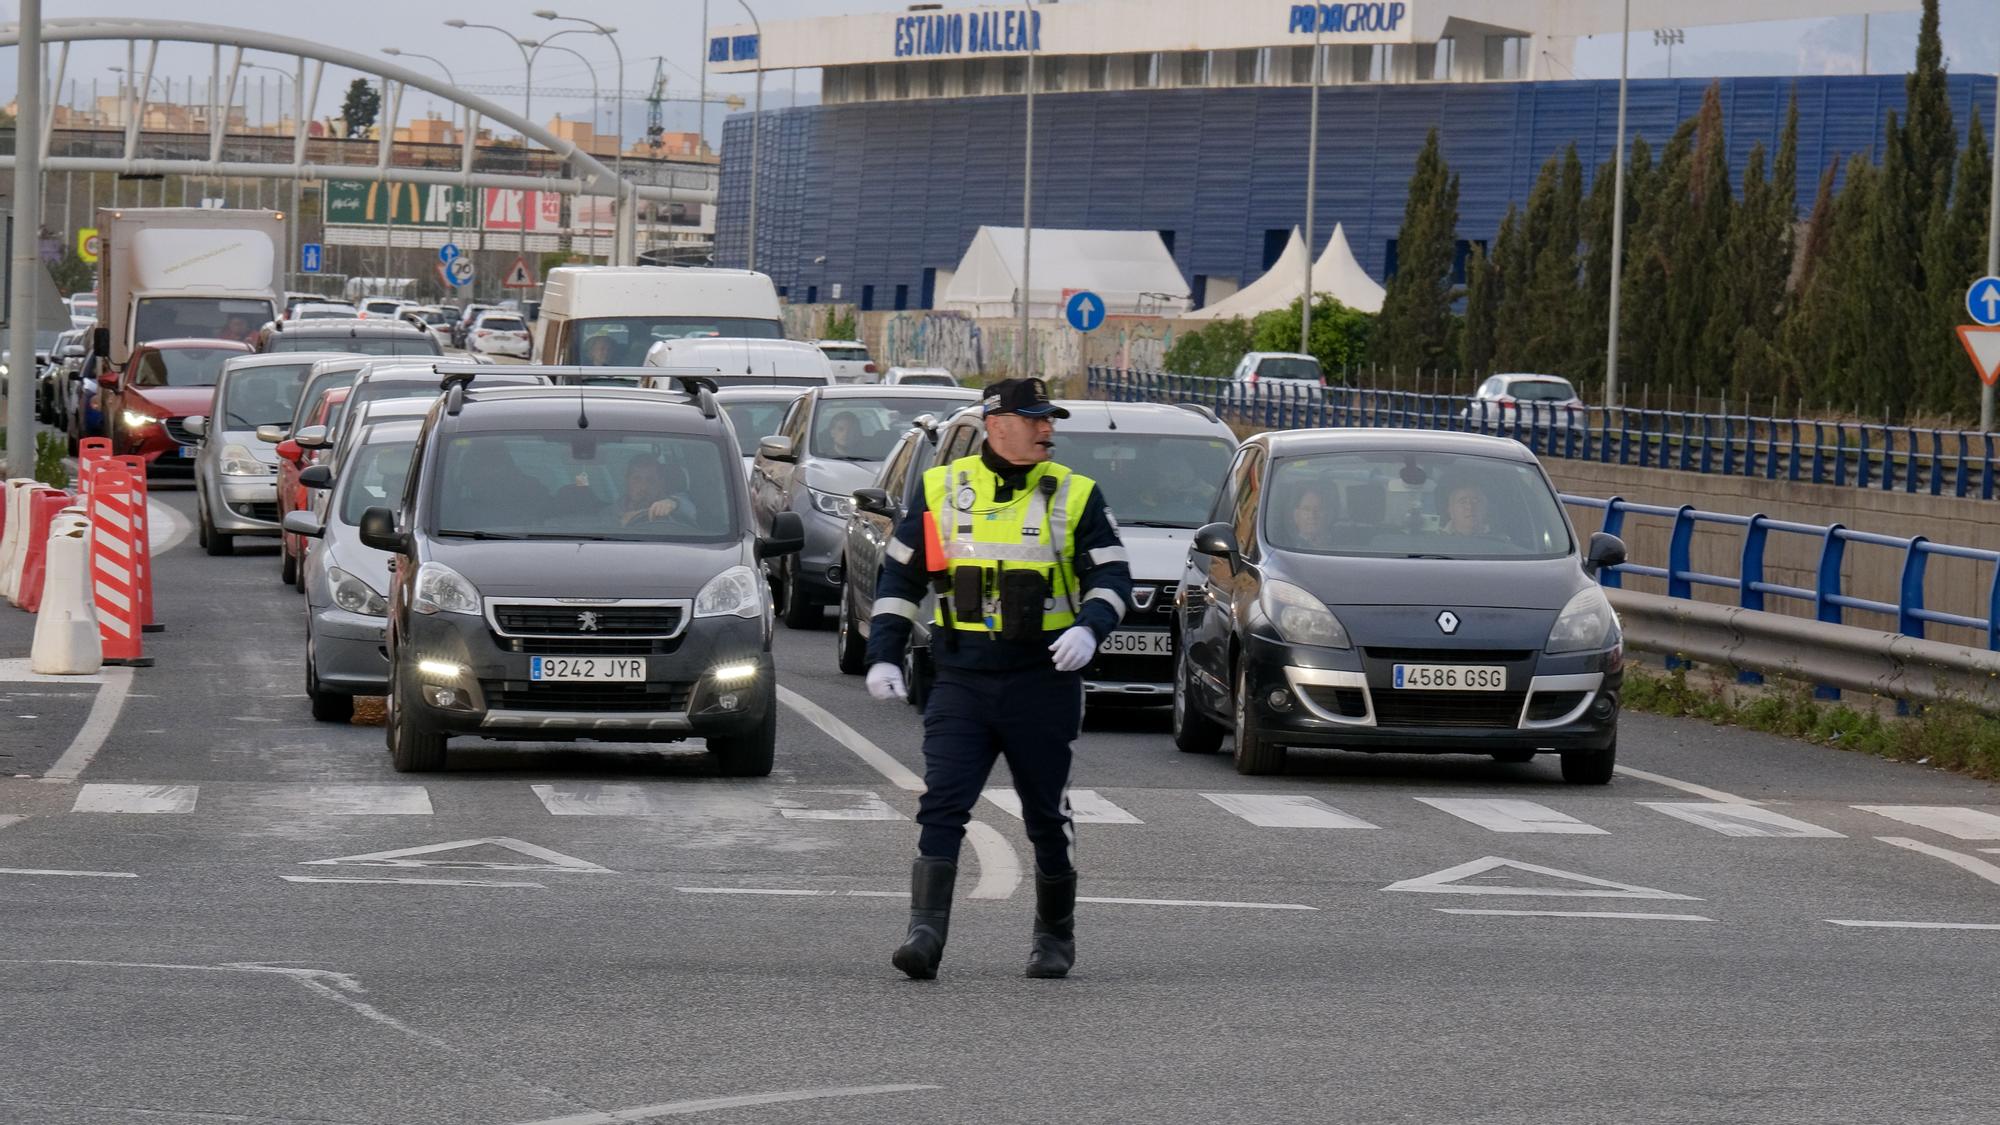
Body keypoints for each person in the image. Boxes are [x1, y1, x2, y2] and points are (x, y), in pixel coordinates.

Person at [864, 377, 1133, 982]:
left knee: (1045, 814)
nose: (1048, 429)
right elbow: (901, 580)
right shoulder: (943, 490)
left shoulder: (1076, 494)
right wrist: (883, 652)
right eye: (1035, 419)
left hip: (1042, 680)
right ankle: (925, 934)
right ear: (997, 424)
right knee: (942, 803)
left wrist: (1090, 628)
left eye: (1050, 419)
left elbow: (1115, 580)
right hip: (961, 677)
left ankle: (1054, 936)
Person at [619, 457, 698, 527]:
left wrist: (673, 503)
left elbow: (691, 509)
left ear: (661, 483)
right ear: (627, 480)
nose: (643, 487)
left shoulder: (675, 503)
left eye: (651, 480)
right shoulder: (611, 513)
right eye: (636, 479)